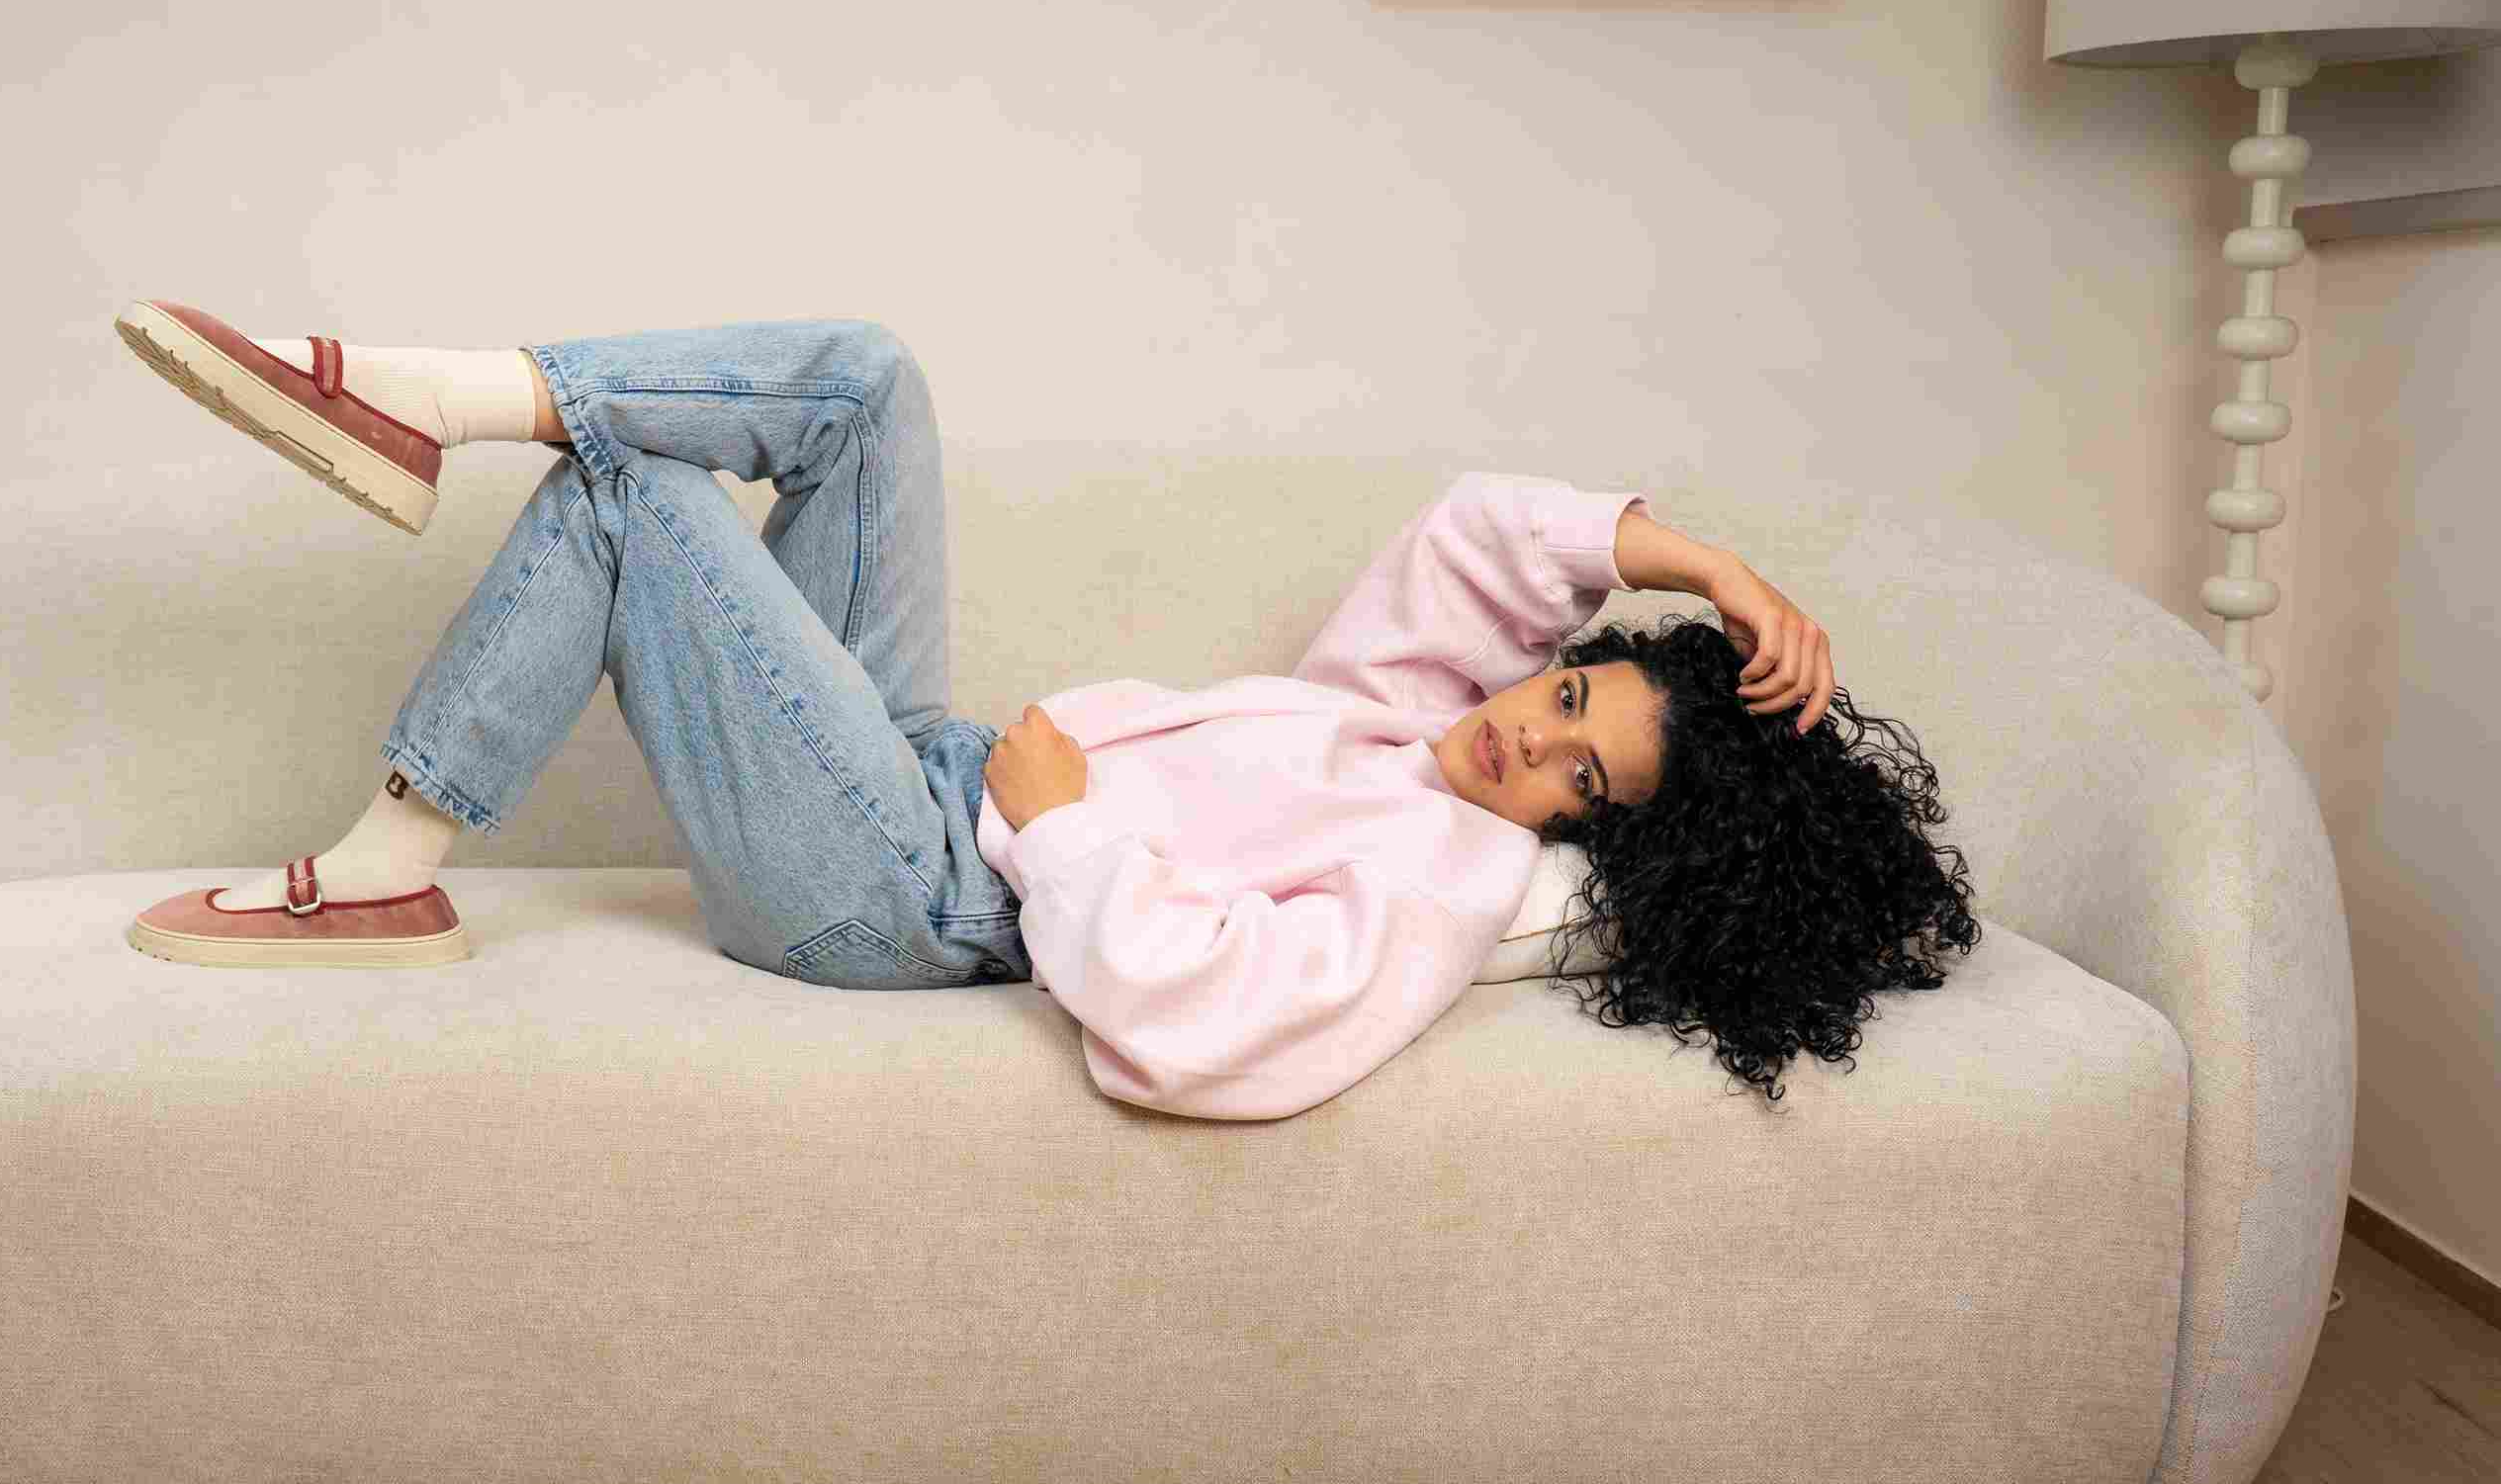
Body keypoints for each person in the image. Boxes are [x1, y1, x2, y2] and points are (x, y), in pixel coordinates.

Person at [115, 306, 1976, 1115]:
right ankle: (444, 391)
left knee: (639, 500)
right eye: (1567, 692)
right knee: (868, 382)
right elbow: (1479, 536)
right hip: (916, 775)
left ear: (1597, 848)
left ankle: (389, 859)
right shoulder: (1409, 737)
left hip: (907, 894)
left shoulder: (1452, 880)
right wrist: (1710, 568)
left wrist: (1067, 825)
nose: (1528, 738)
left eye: (1579, 778)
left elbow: (1219, 1027)